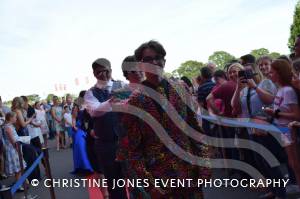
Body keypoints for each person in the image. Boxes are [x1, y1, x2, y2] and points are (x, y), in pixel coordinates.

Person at [124, 40, 210, 198]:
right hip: (158, 176)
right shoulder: (135, 101)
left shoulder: (181, 88)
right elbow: (133, 150)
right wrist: (148, 186)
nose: (154, 63)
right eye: (148, 60)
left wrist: (205, 163)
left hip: (189, 171)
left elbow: (196, 130)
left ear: (164, 61)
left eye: (158, 57)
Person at [84, 58, 127, 199]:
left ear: (111, 70)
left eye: (106, 70)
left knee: (137, 180)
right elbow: (95, 111)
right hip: (106, 144)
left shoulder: (121, 84)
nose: (103, 74)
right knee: (114, 184)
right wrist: (112, 101)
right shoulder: (90, 93)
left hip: (127, 140)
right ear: (94, 74)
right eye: (99, 72)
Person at [263, 59, 300, 198]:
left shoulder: (288, 90)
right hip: (282, 131)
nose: (269, 74)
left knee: (295, 163)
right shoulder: (280, 90)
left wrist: (276, 113)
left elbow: (296, 115)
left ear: (279, 73)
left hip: (289, 131)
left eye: (272, 72)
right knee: (292, 163)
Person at [2, 112, 26, 191]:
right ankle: (19, 186)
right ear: (10, 118)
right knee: (18, 169)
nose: (16, 119)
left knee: (18, 169)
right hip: (13, 149)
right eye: (15, 117)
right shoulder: (8, 127)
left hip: (14, 148)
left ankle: (19, 183)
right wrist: (19, 151)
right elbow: (12, 141)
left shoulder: (9, 126)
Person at [71, 101, 93, 174]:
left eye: (76, 109)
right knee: (81, 150)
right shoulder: (76, 115)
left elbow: (87, 123)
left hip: (84, 132)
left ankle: (87, 166)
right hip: (79, 134)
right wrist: (75, 127)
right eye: (74, 109)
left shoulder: (83, 112)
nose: (75, 110)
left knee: (85, 149)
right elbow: (74, 124)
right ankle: (84, 167)